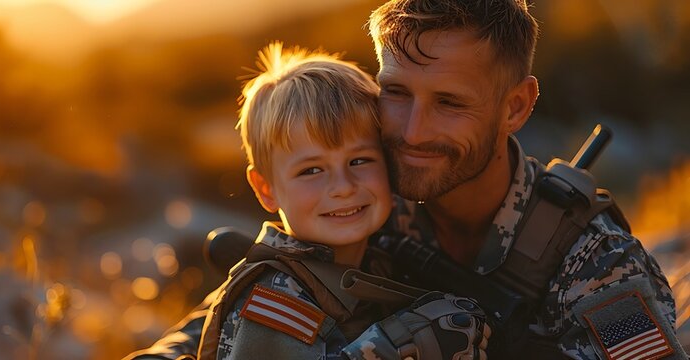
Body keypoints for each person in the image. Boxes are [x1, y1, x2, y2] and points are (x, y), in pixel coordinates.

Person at [129, 0, 685, 358]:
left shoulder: (596, 265)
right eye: (396, 94)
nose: (413, 132)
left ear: (516, 106)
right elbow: (246, 306)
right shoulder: (365, 197)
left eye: (449, 102)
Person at [130, 42, 489, 360]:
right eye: (311, 171)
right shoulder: (276, 304)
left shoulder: (371, 259)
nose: (343, 186)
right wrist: (399, 343)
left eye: (359, 161)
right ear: (265, 188)